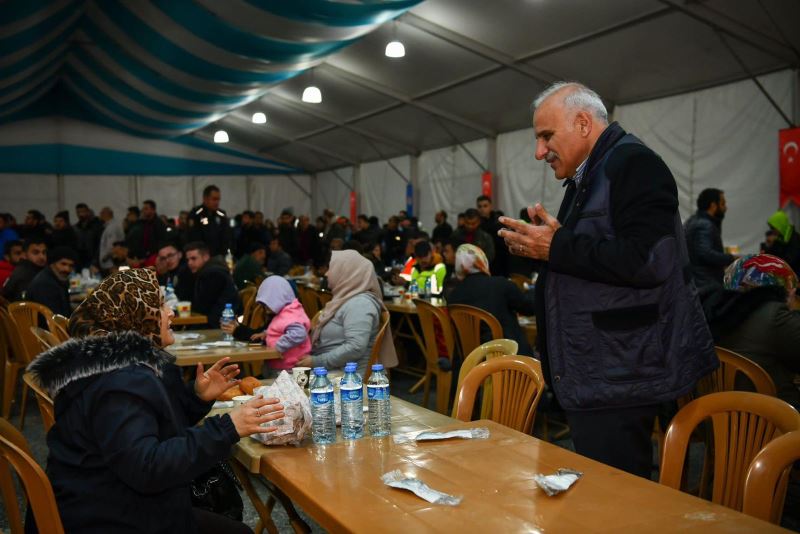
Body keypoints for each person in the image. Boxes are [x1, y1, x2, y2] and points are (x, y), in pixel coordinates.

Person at [497, 81, 717, 479]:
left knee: (616, 493)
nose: (539, 152)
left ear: (583, 124)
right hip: (603, 368)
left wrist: (557, 246)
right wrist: (553, 245)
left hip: (620, 372)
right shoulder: (593, 173)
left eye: (546, 136)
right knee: (605, 489)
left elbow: (650, 260)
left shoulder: (631, 164)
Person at [27, 268, 284, 533]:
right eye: (160, 305)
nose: (170, 312)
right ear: (135, 316)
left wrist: (195, 398)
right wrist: (227, 428)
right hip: (107, 516)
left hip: (97, 498)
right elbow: (147, 468)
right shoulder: (119, 381)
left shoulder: (109, 363)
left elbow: (147, 428)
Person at [703, 254, 800, 409]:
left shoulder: (709, 311)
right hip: (771, 416)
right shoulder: (774, 315)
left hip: (711, 415)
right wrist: (790, 306)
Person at [297, 250, 398, 376]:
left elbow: (355, 347)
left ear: (347, 273)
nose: (327, 273)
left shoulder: (360, 304)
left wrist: (316, 361)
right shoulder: (345, 299)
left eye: (331, 268)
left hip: (346, 377)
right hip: (330, 370)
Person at [447, 244, 535, 355]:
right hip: (507, 357)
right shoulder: (501, 285)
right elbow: (530, 308)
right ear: (482, 261)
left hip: (471, 359)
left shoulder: (453, 295)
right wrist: (534, 290)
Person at [252, 276, 311, 372]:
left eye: (268, 303)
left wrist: (279, 346)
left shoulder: (291, 314)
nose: (266, 309)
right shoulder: (284, 312)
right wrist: (267, 333)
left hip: (289, 368)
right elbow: (280, 328)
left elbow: (299, 334)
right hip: (280, 363)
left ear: (278, 298)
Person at [684, 188, 735, 298]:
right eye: (722, 204)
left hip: (698, 284)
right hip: (706, 287)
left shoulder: (693, 221)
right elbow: (705, 253)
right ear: (713, 206)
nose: (725, 208)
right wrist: (731, 258)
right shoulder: (705, 225)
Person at [184, 241, 238, 327]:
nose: (189, 263)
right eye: (188, 260)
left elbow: (203, 306)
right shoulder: (210, 270)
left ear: (205, 257)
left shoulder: (213, 274)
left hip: (219, 325)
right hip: (216, 321)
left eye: (193, 258)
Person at [26, 246, 76, 318]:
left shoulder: (58, 278)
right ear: (52, 264)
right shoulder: (45, 284)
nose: (67, 269)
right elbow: (55, 318)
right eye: (63, 264)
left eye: (71, 266)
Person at [189, 185, 232, 257]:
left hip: (219, 256)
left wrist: (228, 254)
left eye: (218, 199)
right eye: (214, 199)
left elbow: (226, 237)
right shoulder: (196, 214)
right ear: (205, 199)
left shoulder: (221, 215)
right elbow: (193, 239)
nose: (217, 202)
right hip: (203, 256)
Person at [126, 200, 167, 264]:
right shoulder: (143, 223)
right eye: (143, 209)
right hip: (141, 258)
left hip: (153, 258)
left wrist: (148, 257)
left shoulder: (158, 224)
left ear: (153, 210)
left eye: (146, 209)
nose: (143, 211)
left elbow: (159, 243)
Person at [477, 195, 508, 276]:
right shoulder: (476, 224)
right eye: (479, 206)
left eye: (485, 206)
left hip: (499, 261)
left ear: (490, 206)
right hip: (482, 262)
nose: (482, 209)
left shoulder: (498, 222)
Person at [763, 210, 800, 274]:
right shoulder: (779, 238)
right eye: (771, 228)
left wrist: (774, 264)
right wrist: (769, 245)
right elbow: (770, 256)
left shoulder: (795, 239)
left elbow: (790, 260)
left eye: (773, 228)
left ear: (780, 226)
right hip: (785, 273)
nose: (773, 231)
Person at [74, 203, 103, 270]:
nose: (81, 214)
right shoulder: (76, 228)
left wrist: (95, 261)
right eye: (78, 212)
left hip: (93, 259)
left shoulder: (96, 226)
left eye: (83, 212)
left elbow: (100, 244)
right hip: (79, 260)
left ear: (88, 212)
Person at [96, 207, 125, 273]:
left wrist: (105, 258)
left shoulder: (112, 227)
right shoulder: (110, 226)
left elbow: (112, 246)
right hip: (110, 263)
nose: (100, 215)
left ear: (106, 214)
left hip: (111, 264)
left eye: (101, 213)